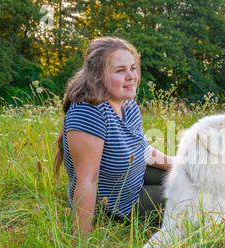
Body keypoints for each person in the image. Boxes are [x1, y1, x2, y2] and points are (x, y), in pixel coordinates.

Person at [53, 36, 174, 234]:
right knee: (195, 195)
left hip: (136, 177)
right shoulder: (89, 112)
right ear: (97, 75)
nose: (131, 76)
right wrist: (81, 244)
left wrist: (179, 164)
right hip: (118, 204)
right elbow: (87, 180)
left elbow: (140, 150)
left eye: (132, 68)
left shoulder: (128, 104)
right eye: (120, 70)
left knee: (196, 174)